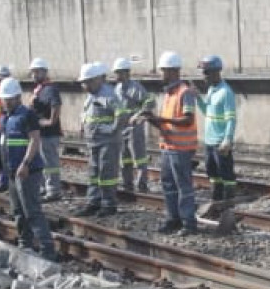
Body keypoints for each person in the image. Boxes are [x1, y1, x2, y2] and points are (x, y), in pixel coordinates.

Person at [0, 77, 56, 257]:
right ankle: (26, 244)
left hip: (27, 171)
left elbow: (34, 139)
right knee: (18, 211)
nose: (5, 102)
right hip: (12, 171)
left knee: (32, 211)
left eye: (8, 99)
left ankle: (47, 250)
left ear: (17, 97)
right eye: (3, 99)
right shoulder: (6, 118)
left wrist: (25, 164)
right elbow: (2, 144)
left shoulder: (27, 115)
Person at [146, 50, 199, 233]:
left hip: (181, 149)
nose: (161, 74)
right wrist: (152, 119)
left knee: (183, 186)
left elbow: (188, 119)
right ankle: (173, 218)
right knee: (168, 184)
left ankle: (188, 223)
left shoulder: (185, 93)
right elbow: (165, 122)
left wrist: (162, 120)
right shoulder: (169, 94)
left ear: (173, 71)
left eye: (164, 71)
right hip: (169, 147)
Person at [75, 61, 120, 217]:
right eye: (83, 83)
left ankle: (109, 204)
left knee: (106, 173)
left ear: (96, 80)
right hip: (93, 140)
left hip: (107, 141)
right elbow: (88, 114)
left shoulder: (108, 94)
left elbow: (121, 114)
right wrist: (83, 126)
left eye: (87, 82)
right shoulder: (91, 96)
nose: (84, 86)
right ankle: (93, 202)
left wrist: (113, 129)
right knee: (94, 173)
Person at [198, 55, 238, 211]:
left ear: (216, 72)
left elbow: (231, 119)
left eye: (206, 72)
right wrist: (198, 99)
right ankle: (216, 202)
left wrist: (227, 139)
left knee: (227, 176)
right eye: (203, 72)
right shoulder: (211, 90)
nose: (204, 76)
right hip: (209, 142)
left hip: (220, 142)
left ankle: (228, 207)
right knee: (213, 174)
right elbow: (206, 112)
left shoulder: (225, 92)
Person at [113, 57, 151, 192]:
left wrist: (138, 115)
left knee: (139, 158)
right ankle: (127, 183)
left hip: (134, 129)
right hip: (121, 129)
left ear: (126, 73)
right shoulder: (117, 89)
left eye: (119, 72)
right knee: (124, 159)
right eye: (116, 72)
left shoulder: (136, 88)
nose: (117, 75)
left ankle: (142, 185)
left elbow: (149, 102)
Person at [28, 57, 64, 200]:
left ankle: (53, 190)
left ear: (44, 72)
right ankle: (44, 187)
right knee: (41, 162)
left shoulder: (50, 89)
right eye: (33, 72)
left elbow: (56, 105)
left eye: (37, 72)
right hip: (39, 132)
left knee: (50, 163)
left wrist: (51, 121)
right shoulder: (39, 89)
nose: (34, 75)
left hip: (49, 133)